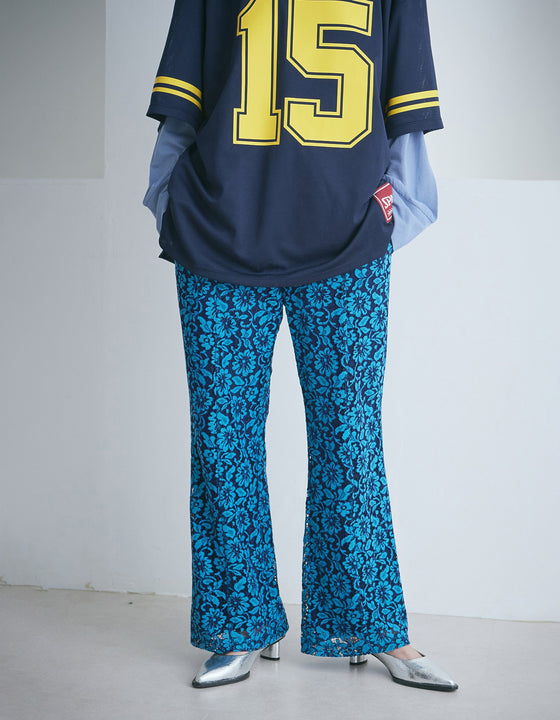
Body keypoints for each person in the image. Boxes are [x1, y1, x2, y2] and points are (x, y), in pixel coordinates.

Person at [143, 0, 458, 691]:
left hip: (347, 246)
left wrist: (383, 223)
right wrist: (168, 202)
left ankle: (370, 626)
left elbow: (405, 122)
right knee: (223, 439)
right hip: (219, 239)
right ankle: (239, 625)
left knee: (350, 437)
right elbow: (183, 107)